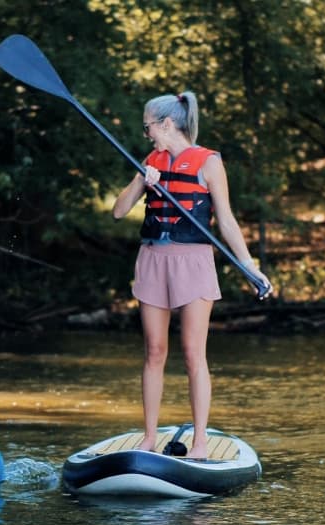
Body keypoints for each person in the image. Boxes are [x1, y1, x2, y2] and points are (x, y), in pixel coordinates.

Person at [111, 91, 272, 459]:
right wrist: (141, 181)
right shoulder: (150, 160)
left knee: (192, 354)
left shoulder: (209, 162)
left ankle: (199, 443)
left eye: (148, 126)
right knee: (154, 351)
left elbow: (227, 220)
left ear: (167, 124)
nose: (146, 133)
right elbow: (119, 212)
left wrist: (249, 265)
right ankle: (149, 438)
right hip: (152, 258)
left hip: (194, 261)